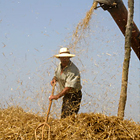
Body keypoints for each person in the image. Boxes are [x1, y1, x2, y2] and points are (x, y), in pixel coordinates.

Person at [49, 47, 82, 119]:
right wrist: (54, 79)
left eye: (66, 58)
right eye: (62, 58)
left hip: (74, 95)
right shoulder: (59, 66)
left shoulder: (73, 70)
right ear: (59, 58)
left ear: (69, 58)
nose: (64, 59)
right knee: (64, 115)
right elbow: (56, 75)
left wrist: (57, 96)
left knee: (69, 116)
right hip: (67, 94)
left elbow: (68, 87)